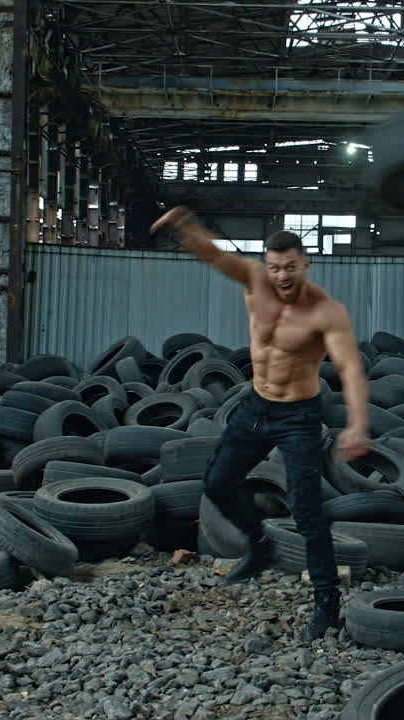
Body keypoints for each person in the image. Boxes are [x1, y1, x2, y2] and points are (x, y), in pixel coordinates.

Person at [150, 206, 371, 641]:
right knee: (216, 483)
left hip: (299, 417)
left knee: (307, 512)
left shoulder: (327, 313)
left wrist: (357, 424)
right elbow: (212, 254)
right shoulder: (254, 281)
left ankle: (327, 603)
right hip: (256, 405)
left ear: (305, 263)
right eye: (275, 268)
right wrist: (184, 226)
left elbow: (349, 369)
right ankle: (260, 544)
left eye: (290, 267)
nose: (282, 276)